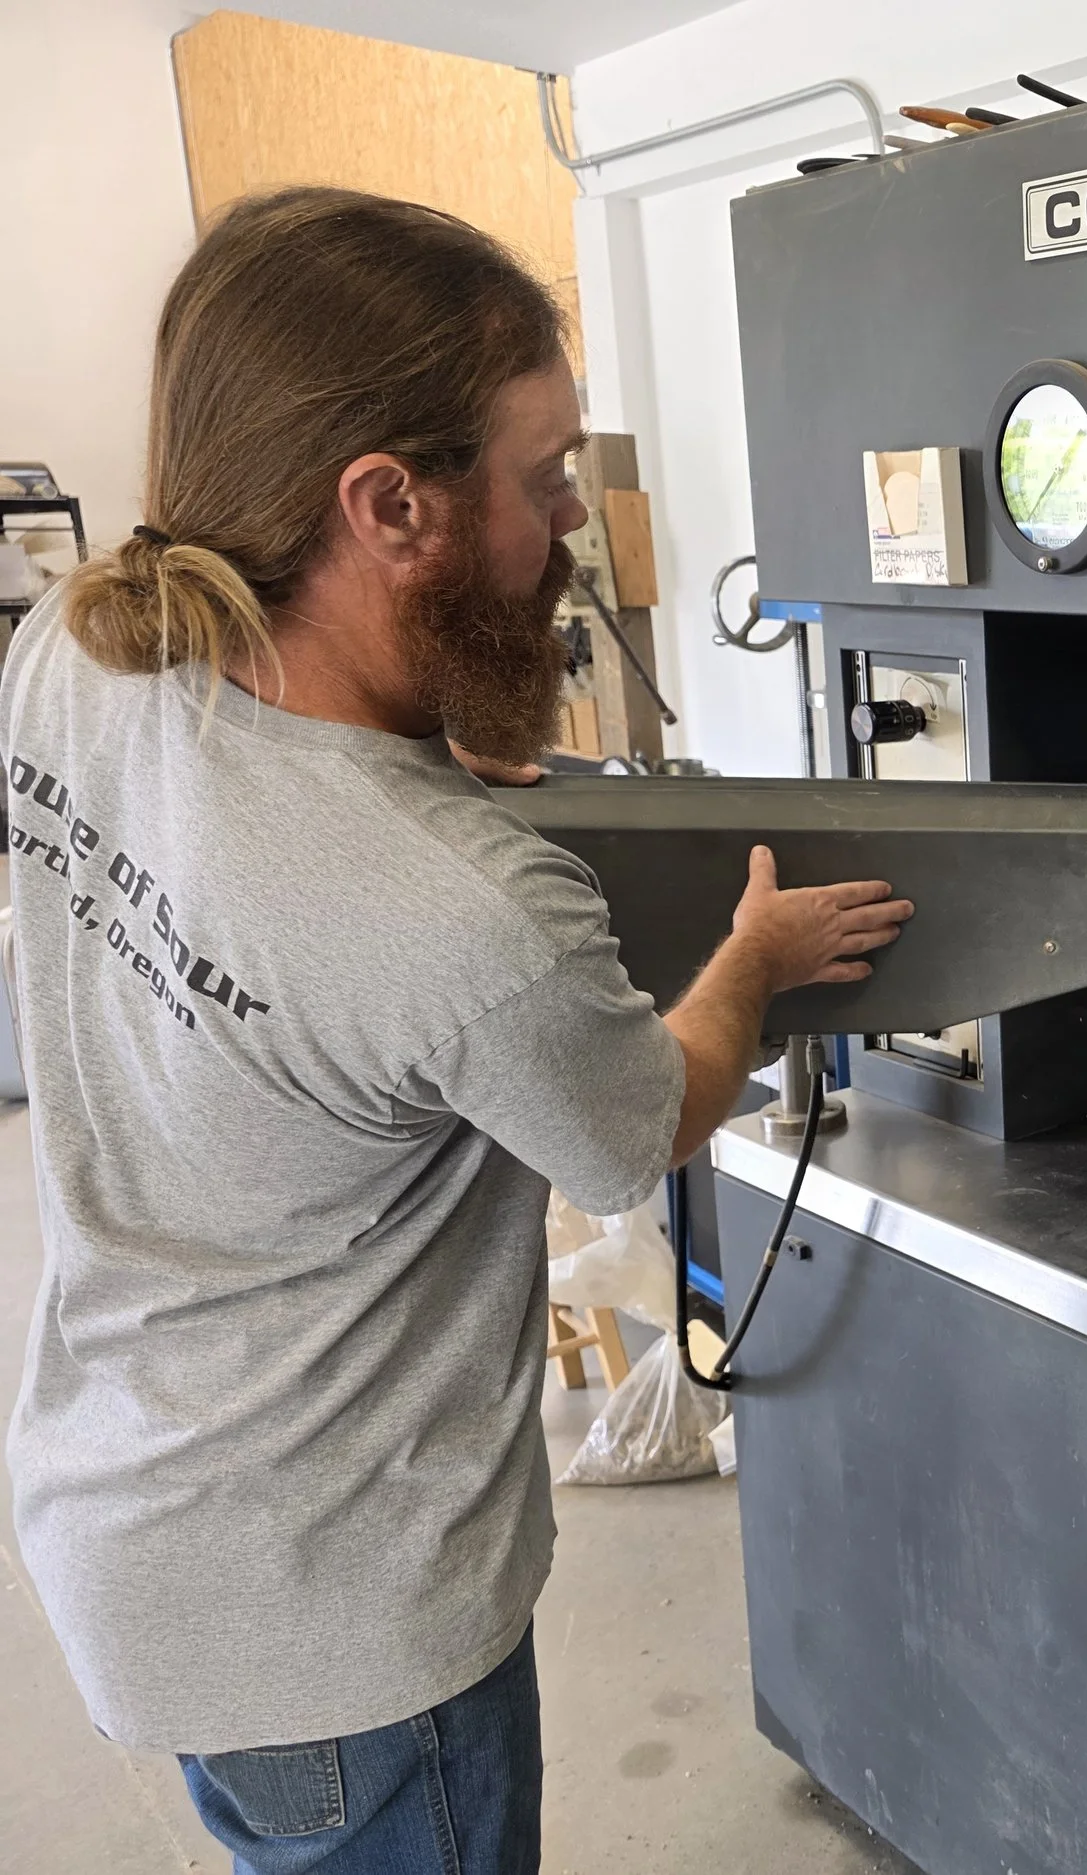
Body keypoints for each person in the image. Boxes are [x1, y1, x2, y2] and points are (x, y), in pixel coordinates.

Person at [0, 187, 911, 1873]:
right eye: (550, 472)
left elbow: (269, 819)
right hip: (337, 1623)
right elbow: (644, 1125)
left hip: (120, 1513)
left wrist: (410, 758)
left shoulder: (77, 646)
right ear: (387, 503)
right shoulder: (464, 915)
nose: (573, 515)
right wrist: (757, 961)